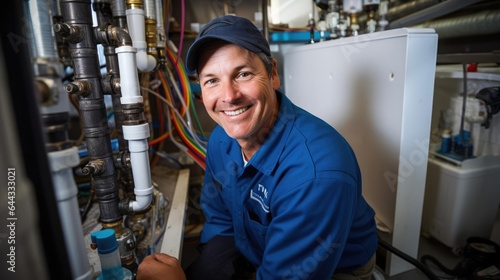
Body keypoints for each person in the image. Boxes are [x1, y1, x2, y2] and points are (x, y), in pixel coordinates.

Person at [137, 15, 378, 280]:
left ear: (273, 74)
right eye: (212, 80)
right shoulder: (221, 140)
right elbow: (219, 218)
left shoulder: (316, 173)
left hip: (334, 270)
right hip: (254, 249)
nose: (229, 96)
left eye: (243, 74)